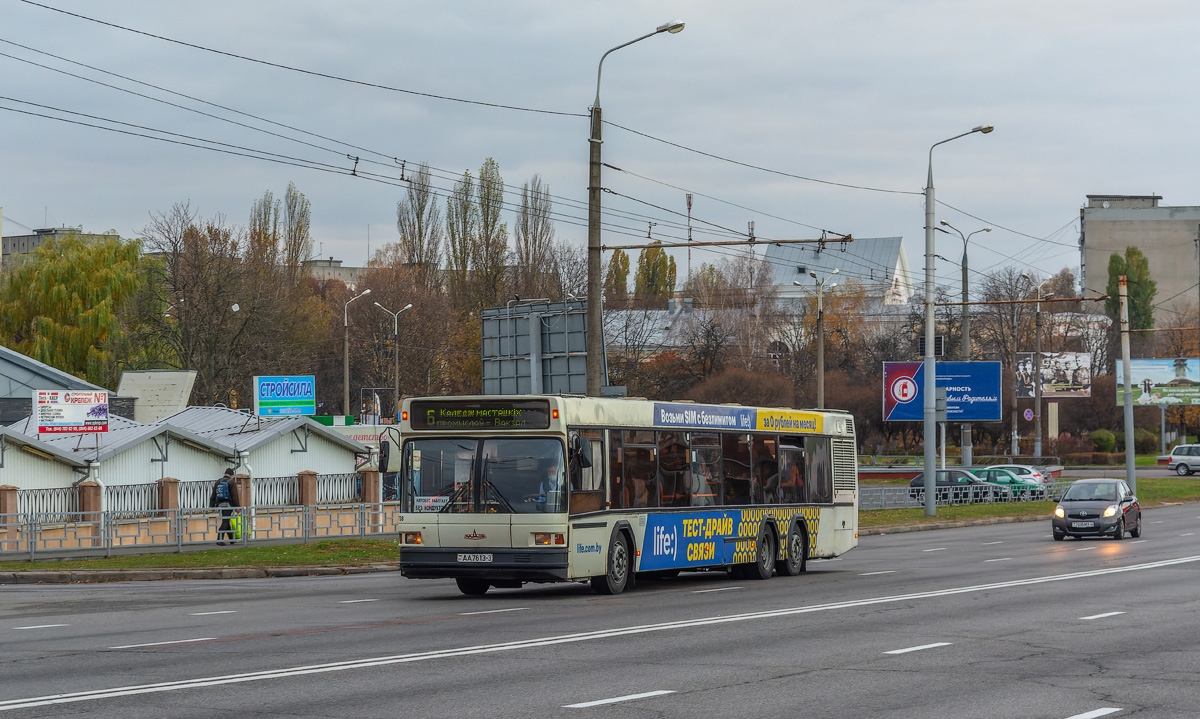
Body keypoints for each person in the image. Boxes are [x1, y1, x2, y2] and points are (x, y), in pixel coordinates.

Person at [209, 468, 241, 545]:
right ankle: (219, 540)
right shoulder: (231, 482)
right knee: (225, 521)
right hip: (228, 505)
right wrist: (237, 507)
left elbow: (213, 494)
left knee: (226, 521)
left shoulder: (218, 481)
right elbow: (234, 496)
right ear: (232, 475)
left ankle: (231, 539)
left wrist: (211, 506)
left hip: (219, 505)